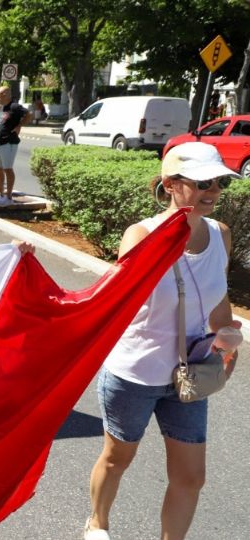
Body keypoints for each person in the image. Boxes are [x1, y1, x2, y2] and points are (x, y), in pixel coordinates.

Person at [84, 142, 239, 540]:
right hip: (136, 370)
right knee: (118, 460)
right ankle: (97, 523)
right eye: (203, 182)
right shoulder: (141, 235)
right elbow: (112, 302)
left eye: (219, 182)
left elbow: (219, 298)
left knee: (191, 477)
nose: (214, 191)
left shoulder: (220, 235)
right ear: (171, 185)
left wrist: (228, 340)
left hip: (191, 373)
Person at [0, 86, 30, 207]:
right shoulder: (1, 107)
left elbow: (29, 114)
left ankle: (9, 197)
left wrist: (19, 125)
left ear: (6, 94)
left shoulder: (15, 106)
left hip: (8, 142)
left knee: (7, 169)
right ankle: (0, 194)